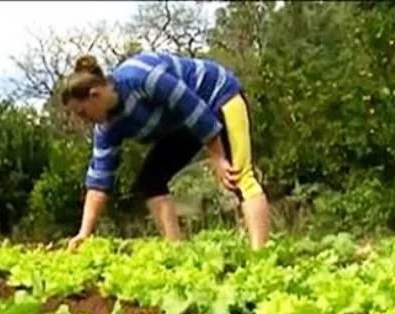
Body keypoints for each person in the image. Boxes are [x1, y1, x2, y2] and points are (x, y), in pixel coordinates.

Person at [60, 51, 271, 251]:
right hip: (183, 123)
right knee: (151, 181)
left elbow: (191, 107)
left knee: (239, 175)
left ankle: (260, 257)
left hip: (217, 97)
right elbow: (99, 182)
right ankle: (175, 250)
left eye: (83, 112)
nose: (84, 121)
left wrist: (217, 156)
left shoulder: (141, 78)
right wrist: (83, 233)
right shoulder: (107, 126)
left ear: (94, 95)